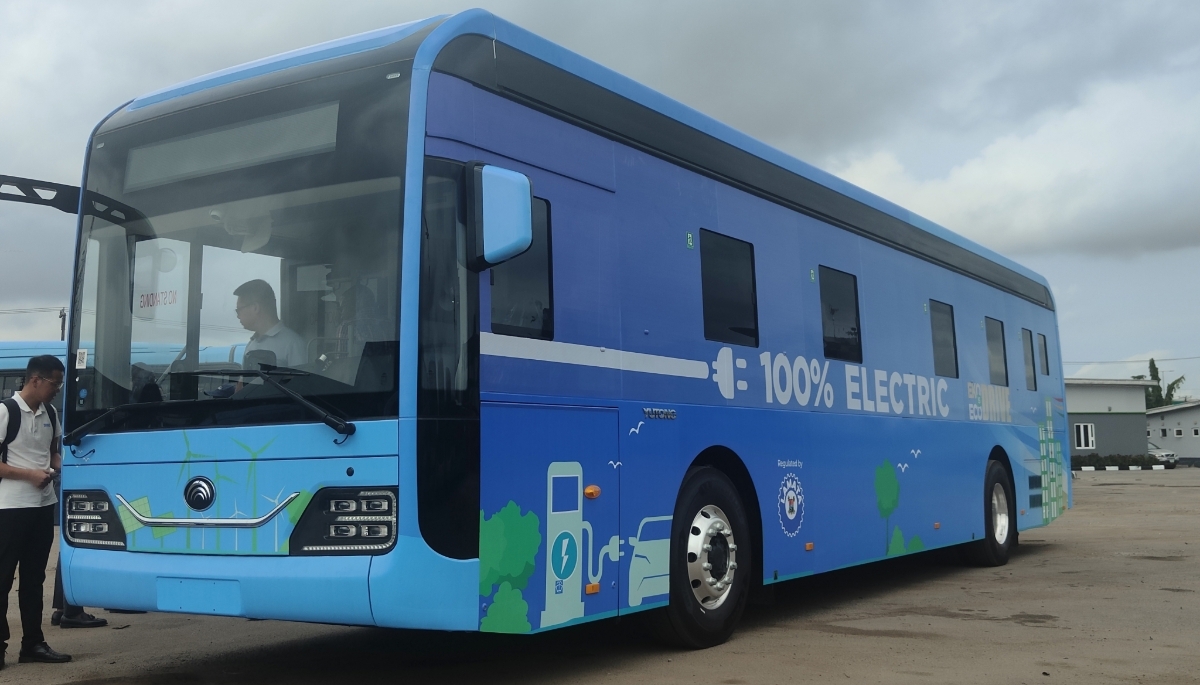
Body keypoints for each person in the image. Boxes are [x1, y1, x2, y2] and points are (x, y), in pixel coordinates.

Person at [0, 355, 72, 668]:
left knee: (34, 579)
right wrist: (29, 475)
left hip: (44, 507)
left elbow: (51, 453)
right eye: (54, 383)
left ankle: (33, 643)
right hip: (9, 508)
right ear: (35, 380)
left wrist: (62, 466)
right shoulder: (5, 411)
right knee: (2, 579)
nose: (58, 389)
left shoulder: (51, 413)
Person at [234, 279, 307, 368]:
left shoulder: (293, 344)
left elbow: (301, 381)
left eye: (238, 310)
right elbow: (244, 381)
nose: (238, 316)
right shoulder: (251, 344)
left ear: (255, 308)